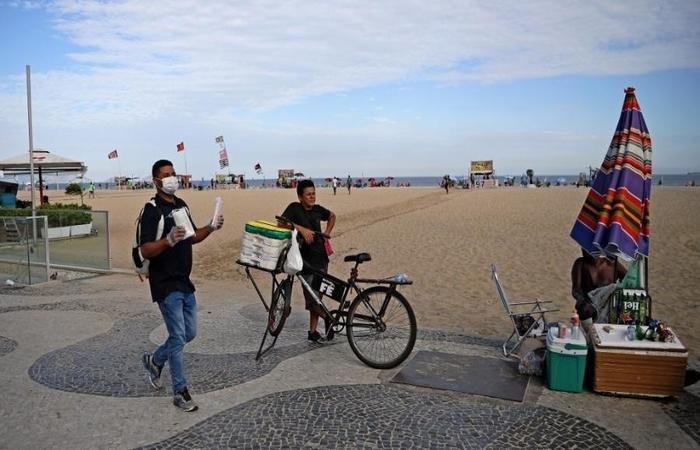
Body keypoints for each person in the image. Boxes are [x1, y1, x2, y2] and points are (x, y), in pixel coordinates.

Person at [140, 159, 224, 412]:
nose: (171, 178)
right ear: (156, 181)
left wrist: (210, 227)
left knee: (189, 334)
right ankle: (180, 392)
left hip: (184, 281)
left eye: (173, 174)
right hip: (165, 283)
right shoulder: (151, 209)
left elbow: (192, 236)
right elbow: (145, 248)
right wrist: (167, 240)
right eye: (166, 175)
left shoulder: (181, 205)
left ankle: (155, 360)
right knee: (177, 336)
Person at [280, 179, 336, 342]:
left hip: (321, 259)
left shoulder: (318, 210)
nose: (312, 197)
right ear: (300, 197)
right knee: (312, 300)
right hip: (303, 261)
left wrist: (327, 231)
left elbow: (332, 215)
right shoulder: (294, 208)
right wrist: (301, 229)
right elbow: (281, 224)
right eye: (308, 194)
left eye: (314, 194)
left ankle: (312, 332)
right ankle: (328, 318)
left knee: (317, 297)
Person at [571, 249, 626, 330]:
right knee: (585, 310)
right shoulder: (580, 263)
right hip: (587, 308)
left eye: (587, 249)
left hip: (608, 308)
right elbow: (576, 289)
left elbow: (630, 281)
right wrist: (583, 301)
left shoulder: (612, 264)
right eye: (583, 248)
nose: (583, 251)